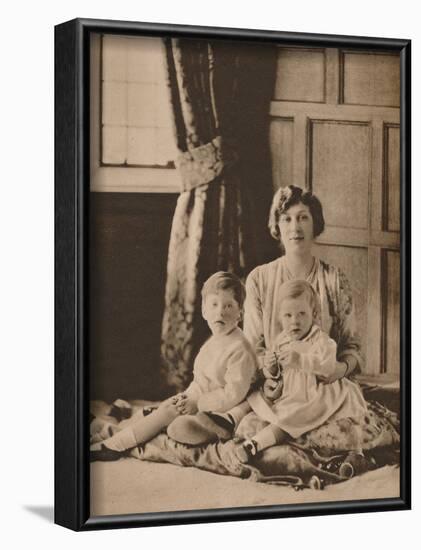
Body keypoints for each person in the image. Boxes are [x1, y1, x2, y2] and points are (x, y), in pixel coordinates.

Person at [168, 185, 366, 447]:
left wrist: (339, 369)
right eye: (287, 219)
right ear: (277, 226)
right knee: (252, 415)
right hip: (271, 383)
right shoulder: (259, 279)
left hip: (323, 384)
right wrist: (270, 376)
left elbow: (352, 347)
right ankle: (223, 422)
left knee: (338, 430)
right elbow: (253, 346)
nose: (295, 227)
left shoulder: (334, 279)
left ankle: (238, 425)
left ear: (315, 223)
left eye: (303, 217)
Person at [91, 271, 258, 460]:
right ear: (204, 310)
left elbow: (233, 394)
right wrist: (187, 396)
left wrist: (197, 403)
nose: (220, 311)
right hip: (204, 401)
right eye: (214, 304)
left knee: (168, 417)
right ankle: (111, 435)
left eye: (229, 306)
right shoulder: (214, 341)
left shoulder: (240, 348)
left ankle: (115, 446)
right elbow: (200, 381)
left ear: (240, 314)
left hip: (224, 411)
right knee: (166, 408)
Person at [234, 279, 368, 462]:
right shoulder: (282, 340)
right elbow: (277, 374)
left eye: (301, 314)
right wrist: (271, 368)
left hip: (316, 394)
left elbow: (328, 368)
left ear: (313, 314)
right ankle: (237, 424)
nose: (295, 321)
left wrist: (300, 360)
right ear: (280, 318)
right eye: (288, 315)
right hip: (290, 394)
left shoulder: (322, 341)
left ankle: (255, 444)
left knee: (292, 417)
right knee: (258, 406)